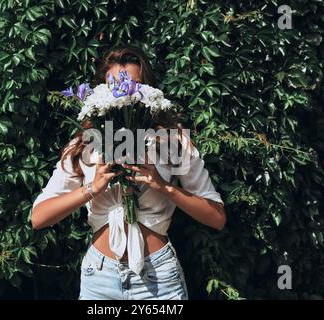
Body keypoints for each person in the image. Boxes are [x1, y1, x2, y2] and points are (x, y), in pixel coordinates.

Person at [31, 44, 226, 300]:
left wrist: (163, 186)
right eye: (114, 86)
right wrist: (92, 188)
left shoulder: (172, 142)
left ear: (147, 90)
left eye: (132, 85)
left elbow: (216, 218)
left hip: (158, 278)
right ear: (102, 91)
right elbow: (39, 218)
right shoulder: (85, 145)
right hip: (99, 279)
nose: (123, 92)